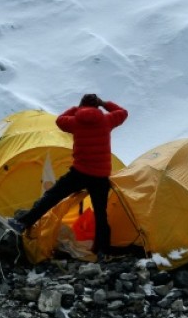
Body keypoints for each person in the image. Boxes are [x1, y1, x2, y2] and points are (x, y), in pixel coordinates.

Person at [9, 93, 128, 259]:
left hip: (80, 172)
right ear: (96, 106)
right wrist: (105, 103)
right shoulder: (106, 121)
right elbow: (123, 112)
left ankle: (23, 222)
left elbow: (60, 120)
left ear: (82, 106)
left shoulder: (76, 122)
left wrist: (76, 109)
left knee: (52, 196)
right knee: (101, 213)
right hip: (100, 176)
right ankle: (102, 249)